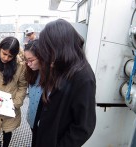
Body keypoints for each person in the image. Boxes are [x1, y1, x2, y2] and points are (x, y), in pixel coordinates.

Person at [36, 19, 96, 147]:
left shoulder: (83, 77)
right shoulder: (59, 65)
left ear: (60, 46)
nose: (45, 53)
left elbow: (83, 127)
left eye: (48, 48)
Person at [0, 36, 27, 147]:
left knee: (7, 131)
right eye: (4, 53)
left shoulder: (20, 66)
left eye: (10, 56)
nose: (6, 58)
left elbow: (23, 86)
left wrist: (16, 103)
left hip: (10, 105)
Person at [23, 39, 43, 147]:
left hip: (43, 123)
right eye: (26, 60)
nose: (28, 64)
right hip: (32, 117)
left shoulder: (52, 76)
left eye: (31, 60)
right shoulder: (31, 72)